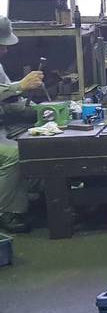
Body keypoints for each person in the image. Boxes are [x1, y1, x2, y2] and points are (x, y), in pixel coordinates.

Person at [0, 16, 43, 233]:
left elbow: (10, 99)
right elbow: (12, 90)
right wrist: (19, 86)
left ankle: (34, 191)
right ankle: (7, 212)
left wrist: (40, 111)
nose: (5, 50)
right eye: (1, 45)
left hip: (4, 124)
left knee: (39, 138)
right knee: (14, 154)